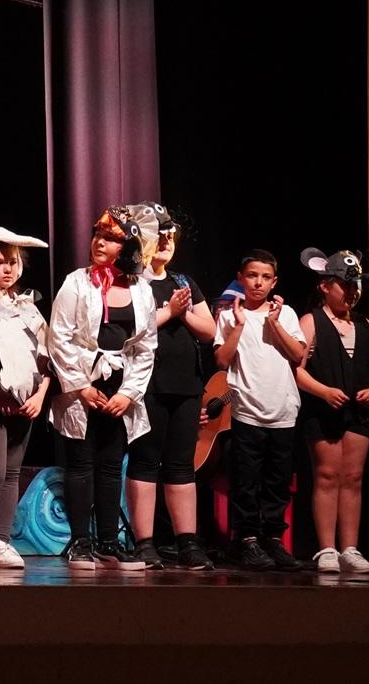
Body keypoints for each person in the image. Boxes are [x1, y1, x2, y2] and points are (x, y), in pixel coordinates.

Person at [47, 206, 156, 572]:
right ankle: (81, 541)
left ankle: (109, 541)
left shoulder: (141, 289)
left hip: (120, 384)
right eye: (98, 235)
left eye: (110, 238)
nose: (99, 242)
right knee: (80, 463)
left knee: (111, 465)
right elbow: (59, 337)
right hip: (83, 382)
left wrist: (129, 393)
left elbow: (146, 346)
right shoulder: (76, 282)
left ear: (127, 247)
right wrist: (80, 386)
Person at [125, 208, 217, 570]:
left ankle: (187, 542)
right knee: (146, 460)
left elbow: (209, 331)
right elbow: (131, 329)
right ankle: (144, 542)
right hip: (147, 384)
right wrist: (168, 313)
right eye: (159, 235)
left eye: (171, 237)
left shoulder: (183, 281)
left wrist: (183, 312)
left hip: (186, 385)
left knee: (181, 464)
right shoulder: (133, 281)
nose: (166, 242)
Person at [213, 249, 308, 572]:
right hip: (247, 411)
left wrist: (275, 323)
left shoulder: (287, 314)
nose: (258, 283)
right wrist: (240, 326)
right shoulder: (229, 316)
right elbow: (222, 360)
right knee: (246, 481)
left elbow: (298, 354)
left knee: (277, 483)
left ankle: (273, 538)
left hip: (283, 410)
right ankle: (247, 540)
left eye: (266, 277)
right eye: (252, 275)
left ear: (274, 282)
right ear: (240, 278)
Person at [296, 247, 369, 575]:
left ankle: (350, 548)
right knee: (328, 475)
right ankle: (327, 548)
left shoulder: (365, 325)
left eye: (355, 285)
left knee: (353, 477)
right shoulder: (312, 321)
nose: (352, 291)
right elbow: (296, 369)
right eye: (344, 285)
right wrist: (323, 391)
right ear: (325, 285)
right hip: (323, 411)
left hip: (356, 411)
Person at [0, 226, 51, 570]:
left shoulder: (27, 308)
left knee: (12, 472)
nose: (8, 268)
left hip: (26, 403)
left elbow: (48, 357)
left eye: (13, 262)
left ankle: (2, 541)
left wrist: (40, 396)